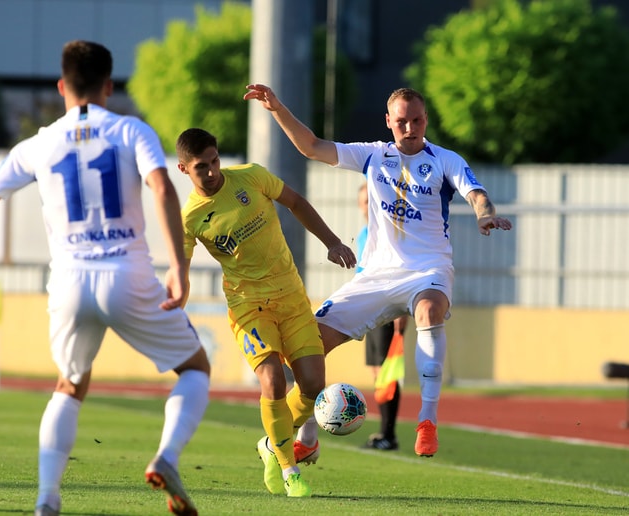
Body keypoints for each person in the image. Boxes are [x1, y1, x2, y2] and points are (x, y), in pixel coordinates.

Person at [0, 41, 210, 516]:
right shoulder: (131, 130)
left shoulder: (37, 144)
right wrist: (178, 267)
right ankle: (166, 456)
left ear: (61, 87)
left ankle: (46, 500)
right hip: (127, 273)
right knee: (195, 369)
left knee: (69, 385)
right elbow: (161, 187)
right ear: (109, 87)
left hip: (70, 280)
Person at [244, 83, 512, 457]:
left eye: (416, 120)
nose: (409, 127)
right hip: (374, 276)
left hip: (426, 270)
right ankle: (306, 440)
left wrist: (486, 216)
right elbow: (311, 146)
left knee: (430, 310)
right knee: (306, 346)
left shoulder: (445, 159)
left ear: (425, 120)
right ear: (389, 121)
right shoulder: (372, 156)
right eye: (401, 121)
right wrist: (277, 108)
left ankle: (427, 422)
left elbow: (477, 194)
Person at [175, 128, 355, 497]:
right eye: (200, 168)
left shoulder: (251, 176)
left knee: (312, 385)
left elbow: (296, 202)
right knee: (273, 381)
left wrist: (332, 241)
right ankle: (290, 470)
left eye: (214, 161)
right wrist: (176, 305)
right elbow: (181, 269)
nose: (211, 172)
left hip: (291, 296)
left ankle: (273, 444)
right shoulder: (190, 219)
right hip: (248, 306)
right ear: (183, 169)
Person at [357, 182, 408, 451]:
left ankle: (389, 434)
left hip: (387, 310)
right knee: (378, 374)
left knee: (387, 374)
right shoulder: (365, 234)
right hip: (370, 312)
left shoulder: (390, 233)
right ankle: (384, 431)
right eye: (365, 202)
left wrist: (402, 308)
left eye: (372, 201)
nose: (369, 206)